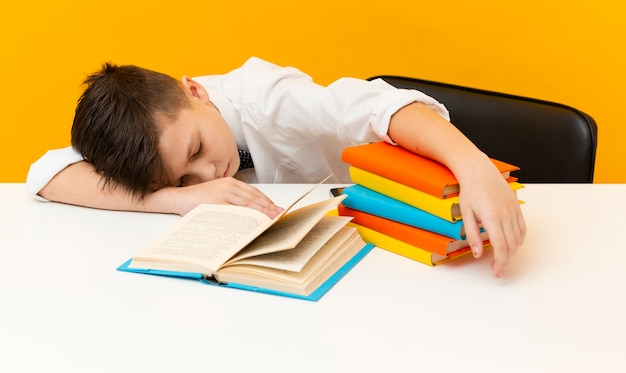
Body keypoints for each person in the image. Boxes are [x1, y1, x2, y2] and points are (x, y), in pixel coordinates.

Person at [27, 57, 526, 278]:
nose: (208, 177)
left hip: (379, 244)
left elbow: (380, 106)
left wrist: (474, 168)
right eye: (184, 178)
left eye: (197, 149)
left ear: (194, 90)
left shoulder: (267, 98)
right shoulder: (151, 151)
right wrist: (174, 198)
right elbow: (46, 172)